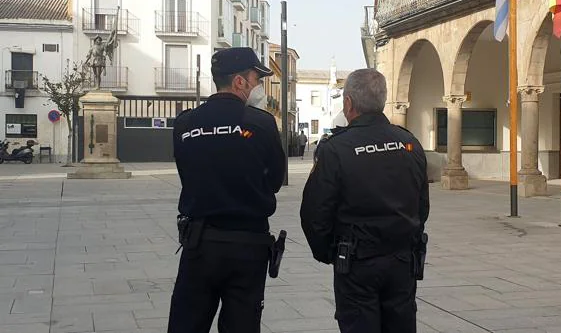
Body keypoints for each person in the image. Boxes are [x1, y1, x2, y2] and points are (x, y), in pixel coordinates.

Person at [300, 68, 430, 333]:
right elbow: (422, 205)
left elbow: (315, 212)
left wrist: (329, 253)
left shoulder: (336, 148)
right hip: (402, 261)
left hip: (357, 262)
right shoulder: (409, 143)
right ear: (382, 100)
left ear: (348, 103)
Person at [168, 47, 286, 333]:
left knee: (186, 324)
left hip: (200, 244)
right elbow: (274, 181)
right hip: (248, 246)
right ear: (239, 82)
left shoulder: (185, 123)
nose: (258, 87)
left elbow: (187, 173)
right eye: (256, 79)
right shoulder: (261, 123)